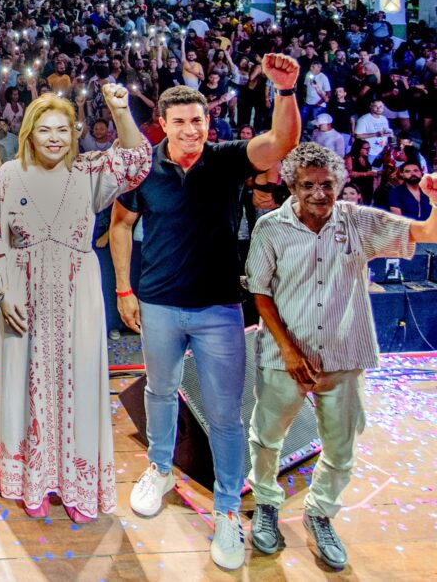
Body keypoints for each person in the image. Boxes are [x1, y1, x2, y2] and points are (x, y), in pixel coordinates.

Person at [109, 53, 301, 570]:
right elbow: (121, 224)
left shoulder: (228, 158)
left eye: (198, 120)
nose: (191, 129)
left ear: (207, 121)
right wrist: (124, 288)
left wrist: (284, 92)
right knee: (159, 391)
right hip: (158, 304)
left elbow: (281, 141)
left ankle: (227, 510)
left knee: (224, 414)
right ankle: (159, 468)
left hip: (219, 309)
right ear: (163, 123)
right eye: (180, 121)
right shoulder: (143, 167)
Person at [245, 143, 437, 570]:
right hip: (284, 358)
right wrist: (289, 351)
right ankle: (266, 505)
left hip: (345, 354)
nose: (319, 194)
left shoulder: (359, 221)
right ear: (292, 187)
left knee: (341, 447)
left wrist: (436, 201)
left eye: (327, 185)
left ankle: (320, 513)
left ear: (340, 184)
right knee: (265, 439)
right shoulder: (270, 228)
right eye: (308, 185)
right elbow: (259, 292)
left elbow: (428, 233)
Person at [0, 86, 152, 524]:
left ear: (73, 134)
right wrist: (4, 293)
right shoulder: (9, 174)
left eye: (62, 129)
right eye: (45, 130)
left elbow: (136, 161)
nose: (54, 138)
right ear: (29, 133)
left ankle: (77, 484)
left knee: (80, 383)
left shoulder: (88, 170)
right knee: (25, 381)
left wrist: (120, 110)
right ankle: (32, 480)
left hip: (79, 293)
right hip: (23, 293)